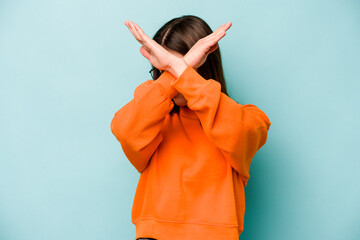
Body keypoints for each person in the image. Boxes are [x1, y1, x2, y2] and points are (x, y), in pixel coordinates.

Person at [110, 15, 271, 240]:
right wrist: (177, 72)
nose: (174, 75)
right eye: (165, 69)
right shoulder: (152, 117)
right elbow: (125, 130)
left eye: (186, 66)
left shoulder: (247, 118)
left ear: (206, 65)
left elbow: (240, 132)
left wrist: (179, 70)